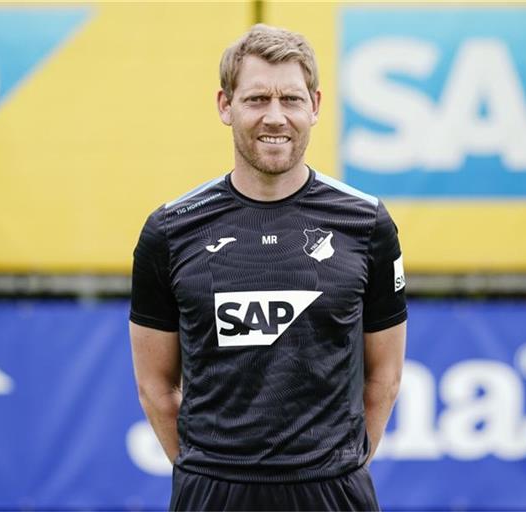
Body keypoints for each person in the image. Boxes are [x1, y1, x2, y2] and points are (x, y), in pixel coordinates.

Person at [129, 23, 407, 511]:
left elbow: (383, 377)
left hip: (332, 491)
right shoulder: (169, 231)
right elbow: (155, 385)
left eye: (291, 100)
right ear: (225, 105)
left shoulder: (367, 223)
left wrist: (337, 465)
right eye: (257, 99)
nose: (275, 117)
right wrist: (207, 469)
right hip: (213, 490)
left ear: (315, 106)